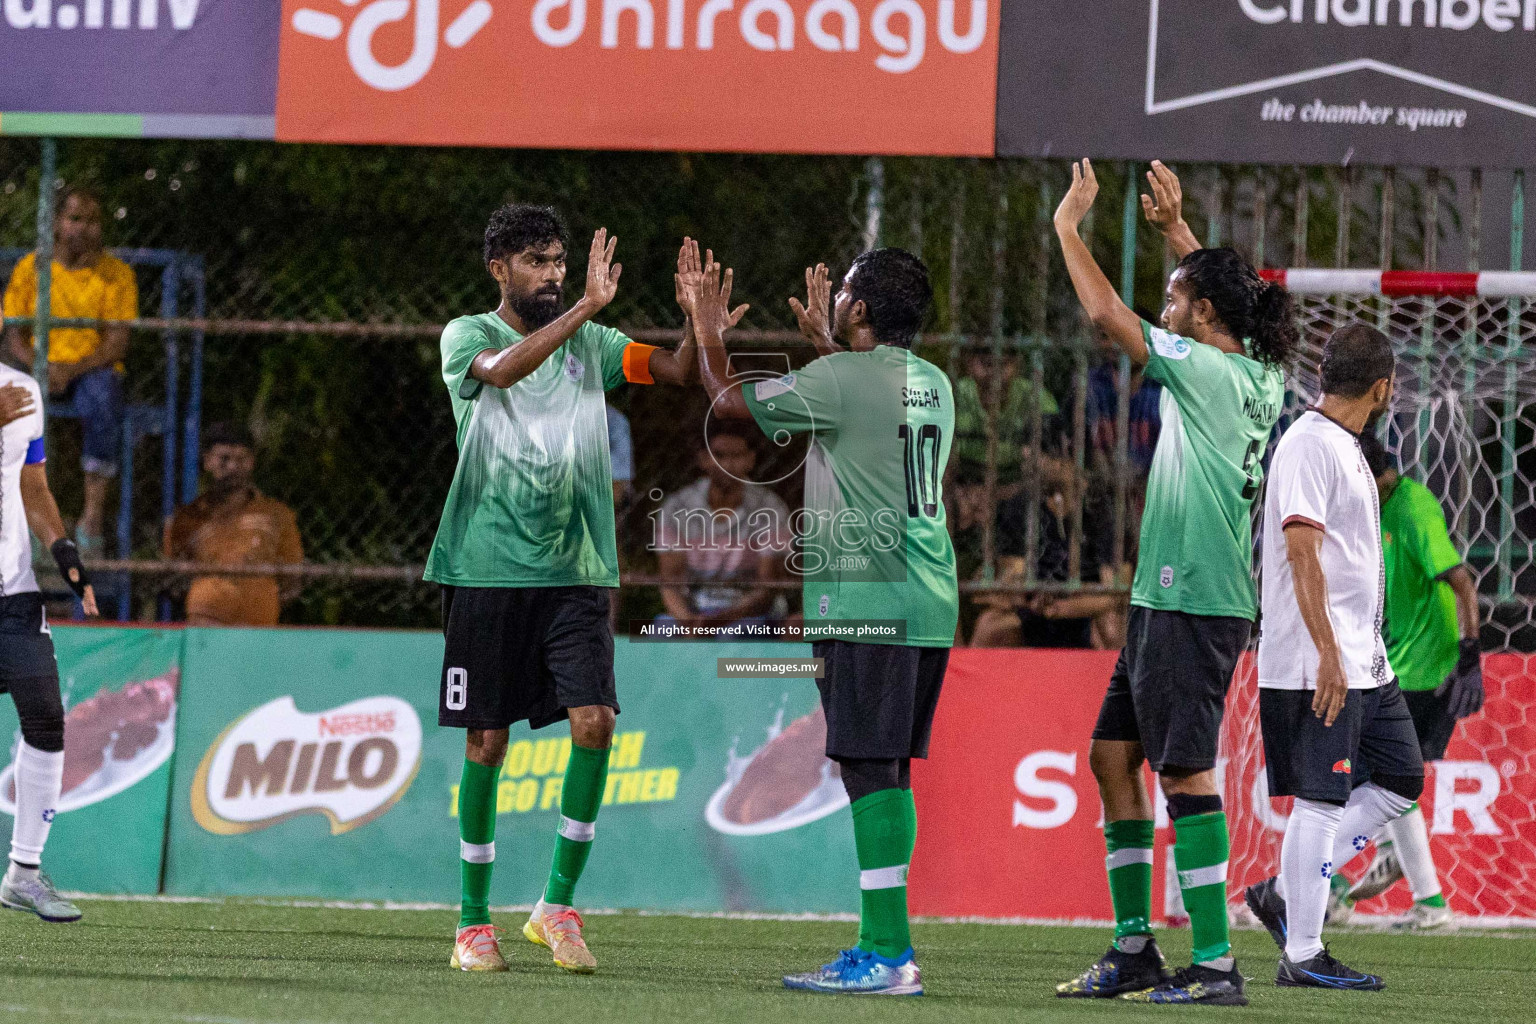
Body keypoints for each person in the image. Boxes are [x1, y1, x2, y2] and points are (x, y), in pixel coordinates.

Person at [426, 210, 742, 974]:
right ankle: (473, 924)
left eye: (561, 261)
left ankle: (555, 908)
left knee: (595, 724)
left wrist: (702, 330)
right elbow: (503, 375)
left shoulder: (590, 345)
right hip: (485, 569)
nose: (555, 273)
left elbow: (671, 375)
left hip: (576, 569)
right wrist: (586, 309)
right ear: (498, 268)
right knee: (488, 741)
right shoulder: (466, 335)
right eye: (538, 261)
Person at [685, 245, 955, 996]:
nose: (834, 297)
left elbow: (728, 403)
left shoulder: (841, 379)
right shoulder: (930, 380)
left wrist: (706, 326)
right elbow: (862, 411)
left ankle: (888, 954)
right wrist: (829, 353)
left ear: (861, 310)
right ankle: (887, 944)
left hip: (867, 600)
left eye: (844, 292)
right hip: (927, 597)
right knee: (886, 767)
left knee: (868, 767)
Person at [1053, 160, 1290, 1007]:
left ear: (1207, 317)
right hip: (1171, 598)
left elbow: (1102, 312)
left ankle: (1218, 965)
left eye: (1180, 296)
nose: (1168, 306)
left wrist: (1069, 229)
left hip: (1195, 598)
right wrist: (1179, 234)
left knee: (1184, 774)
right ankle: (1133, 949)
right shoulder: (1259, 369)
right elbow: (1240, 308)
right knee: (1112, 756)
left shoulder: (1209, 371)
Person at [1242, 324, 1425, 991]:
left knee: (1403, 779)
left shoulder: (1342, 444)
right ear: (1383, 387)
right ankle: (1305, 951)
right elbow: (1300, 550)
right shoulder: (1310, 445)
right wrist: (1325, 652)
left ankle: (1288, 895)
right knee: (1320, 799)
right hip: (1318, 660)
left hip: (1363, 659)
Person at [1326, 430, 1483, 930]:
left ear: (1379, 477)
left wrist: (1470, 654)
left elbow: (1462, 581)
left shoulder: (1413, 509)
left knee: (1376, 777)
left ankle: (1418, 895)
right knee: (1366, 775)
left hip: (1425, 671)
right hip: (1397, 662)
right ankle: (1408, 883)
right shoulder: (1380, 508)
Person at [0, 359, 99, 922]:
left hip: (13, 593)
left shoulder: (22, 389)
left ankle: (24, 875)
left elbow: (31, 482)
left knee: (45, 717)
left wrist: (65, 553)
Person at [3, 187, 137, 556]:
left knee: (103, 400)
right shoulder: (33, 267)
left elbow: (115, 344)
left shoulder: (116, 274)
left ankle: (91, 519)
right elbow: (14, 335)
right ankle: (25, 517)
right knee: (15, 404)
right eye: (75, 218)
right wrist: (40, 366)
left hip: (89, 370)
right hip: (38, 364)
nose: (84, 228)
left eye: (92, 220)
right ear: (58, 223)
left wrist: (71, 369)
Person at [971, 440, 1125, 649]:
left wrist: (1064, 607)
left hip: (1084, 608)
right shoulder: (1021, 505)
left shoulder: (1101, 508)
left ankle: (1121, 682)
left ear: (1066, 460)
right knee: (989, 626)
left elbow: (1113, 593)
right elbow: (1014, 576)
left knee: (1111, 625)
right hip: (1034, 607)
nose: (1030, 459)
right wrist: (1030, 600)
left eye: (1041, 454)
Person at [653, 422, 790, 635]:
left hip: (751, 615)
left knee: (733, 635)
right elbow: (670, 581)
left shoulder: (771, 508)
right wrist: (689, 622)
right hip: (694, 610)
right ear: (704, 459)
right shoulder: (677, 506)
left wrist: (720, 621)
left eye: (736, 456)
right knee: (661, 629)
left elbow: (767, 589)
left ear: (750, 459)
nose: (726, 464)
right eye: (719, 455)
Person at [161, 423, 305, 626]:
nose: (233, 467)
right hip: (206, 623)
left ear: (252, 462)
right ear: (208, 461)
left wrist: (257, 599)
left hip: (259, 624)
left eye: (242, 459)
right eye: (224, 459)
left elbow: (292, 579)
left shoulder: (276, 515)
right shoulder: (187, 517)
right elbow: (173, 578)